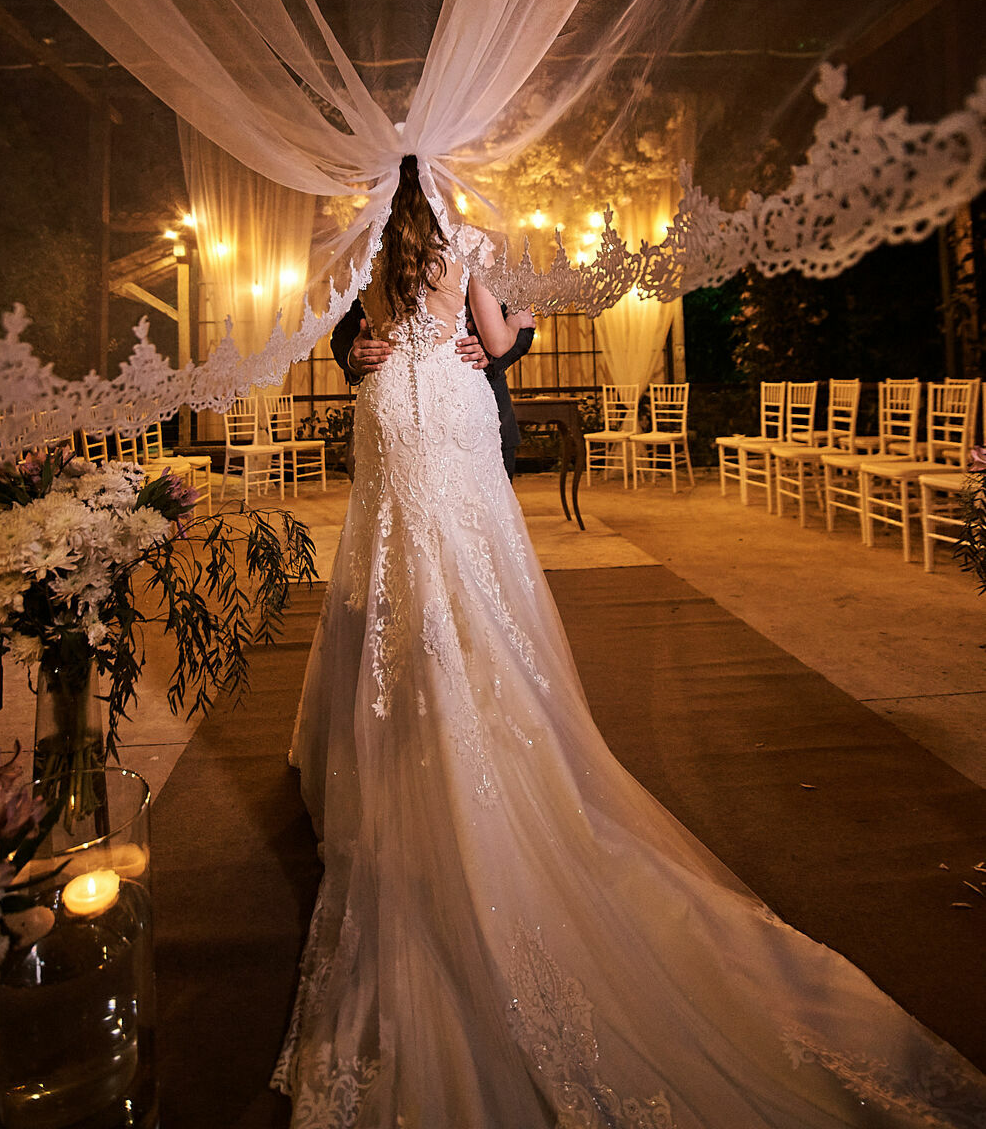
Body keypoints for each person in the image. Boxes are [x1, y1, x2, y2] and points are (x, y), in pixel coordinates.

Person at [274, 156, 986, 1128]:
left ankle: (410, 720)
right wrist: (510, 333)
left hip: (393, 410)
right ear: (441, 183)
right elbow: (492, 331)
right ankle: (480, 705)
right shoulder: (469, 239)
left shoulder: (369, 241)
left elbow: (351, 338)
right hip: (446, 401)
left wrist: (374, 353)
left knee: (403, 572)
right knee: (478, 579)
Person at [331, 295, 535, 479]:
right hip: (396, 420)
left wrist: (489, 355)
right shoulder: (380, 257)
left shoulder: (479, 257)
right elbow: (343, 332)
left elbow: (524, 326)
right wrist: (353, 355)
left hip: (478, 418)